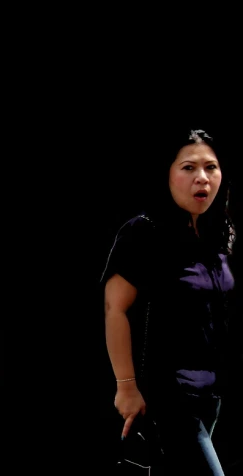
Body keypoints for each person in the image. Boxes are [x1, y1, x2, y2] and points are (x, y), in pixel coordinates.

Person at [101, 128, 238, 475]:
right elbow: (114, 308)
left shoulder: (218, 235)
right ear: (167, 173)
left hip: (212, 397)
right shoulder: (144, 232)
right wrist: (126, 388)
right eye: (188, 167)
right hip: (168, 396)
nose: (202, 178)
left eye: (211, 167)